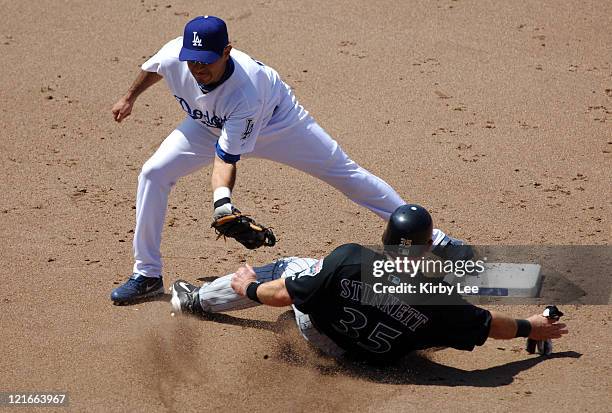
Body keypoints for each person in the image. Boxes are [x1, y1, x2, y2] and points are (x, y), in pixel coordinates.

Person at [110, 15, 469, 304]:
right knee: (153, 172)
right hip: (207, 124)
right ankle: (147, 275)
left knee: (345, 174)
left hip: (280, 125)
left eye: (205, 62)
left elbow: (225, 157)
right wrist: (129, 97)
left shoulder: (246, 92)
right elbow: (155, 68)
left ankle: (435, 239)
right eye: (191, 60)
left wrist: (222, 204)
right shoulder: (179, 54)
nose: (196, 68)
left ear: (227, 52)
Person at [170, 205, 567, 361]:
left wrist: (249, 287)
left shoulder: (350, 259)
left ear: (386, 240)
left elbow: (281, 294)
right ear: (428, 247)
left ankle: (195, 302)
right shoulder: (439, 297)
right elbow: (490, 324)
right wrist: (532, 327)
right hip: (364, 356)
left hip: (320, 331)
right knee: (449, 323)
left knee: (296, 268)